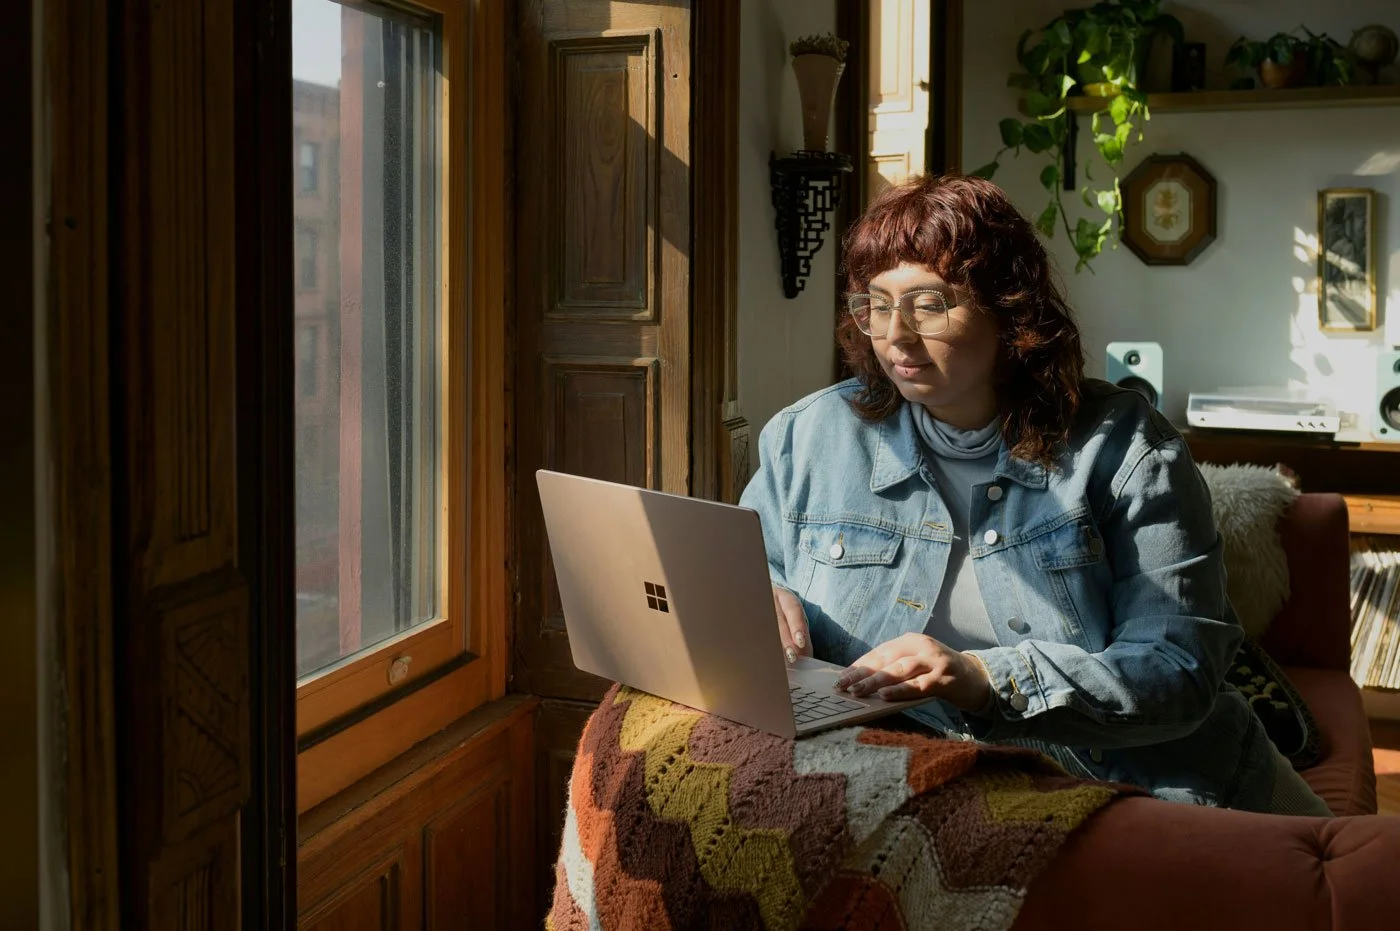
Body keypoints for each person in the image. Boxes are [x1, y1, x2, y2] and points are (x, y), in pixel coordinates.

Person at [738, 173, 1331, 816]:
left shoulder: (1127, 449)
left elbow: (1177, 669)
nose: (895, 336)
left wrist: (986, 679)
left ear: (1010, 309)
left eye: (928, 304)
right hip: (888, 772)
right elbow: (751, 564)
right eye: (876, 305)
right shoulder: (808, 435)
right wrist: (759, 595)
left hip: (1119, 782)